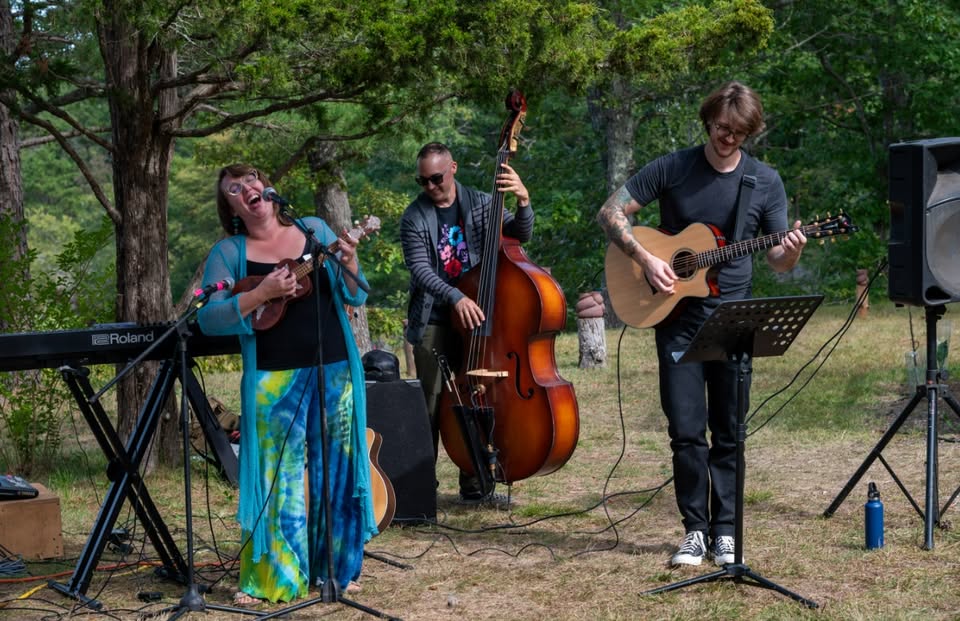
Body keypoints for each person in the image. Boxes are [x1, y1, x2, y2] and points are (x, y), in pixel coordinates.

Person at [596, 82, 807, 567]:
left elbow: (777, 259)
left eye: (739, 133)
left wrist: (793, 250)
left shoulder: (764, 181)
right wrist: (646, 259)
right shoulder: (674, 167)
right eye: (721, 128)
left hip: (734, 318)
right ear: (708, 120)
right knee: (686, 430)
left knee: (729, 430)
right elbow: (610, 212)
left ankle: (726, 531)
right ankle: (695, 529)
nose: (728, 139)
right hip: (676, 317)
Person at [197, 164, 378, 604]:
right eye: (234, 189)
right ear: (231, 208)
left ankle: (337, 569)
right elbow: (208, 318)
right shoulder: (229, 252)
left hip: (334, 368)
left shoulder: (312, 230)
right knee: (277, 477)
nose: (247, 189)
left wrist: (349, 260)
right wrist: (261, 294)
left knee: (337, 470)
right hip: (271, 379)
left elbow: (355, 294)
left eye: (251, 181)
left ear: (267, 190)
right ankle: (276, 576)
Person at [400, 142, 533, 504]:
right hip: (436, 317)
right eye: (423, 181)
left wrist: (523, 200)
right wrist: (456, 297)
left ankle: (476, 485)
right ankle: (420, 490)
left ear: (453, 168)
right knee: (429, 403)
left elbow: (520, 234)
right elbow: (420, 270)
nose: (430, 186)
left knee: (477, 398)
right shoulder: (414, 217)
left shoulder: (483, 203)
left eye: (436, 178)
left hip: (479, 317)